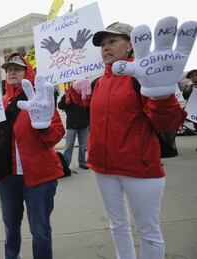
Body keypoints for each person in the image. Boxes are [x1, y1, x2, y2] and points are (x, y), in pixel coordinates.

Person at [67, 18, 193, 259]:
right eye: (102, 44)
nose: (105, 48)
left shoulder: (142, 76)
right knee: (117, 226)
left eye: (112, 41)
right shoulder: (98, 82)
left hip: (140, 169)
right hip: (103, 169)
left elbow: (168, 123)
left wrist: (162, 94)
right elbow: (87, 114)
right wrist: (73, 94)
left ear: (131, 45)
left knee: (148, 232)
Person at [0, 53, 65, 259]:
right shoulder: (1, 102)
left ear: (27, 72)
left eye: (17, 69)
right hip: (8, 177)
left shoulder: (40, 98)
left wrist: (43, 127)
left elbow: (57, 133)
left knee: (40, 230)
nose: (11, 72)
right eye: (8, 69)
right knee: (10, 226)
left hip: (39, 177)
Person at [58, 91, 90, 170]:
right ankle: (66, 165)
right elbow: (60, 106)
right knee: (69, 146)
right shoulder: (68, 94)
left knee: (83, 145)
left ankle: (82, 162)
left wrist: (89, 121)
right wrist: (66, 97)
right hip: (72, 125)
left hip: (84, 125)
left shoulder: (84, 94)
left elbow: (88, 108)